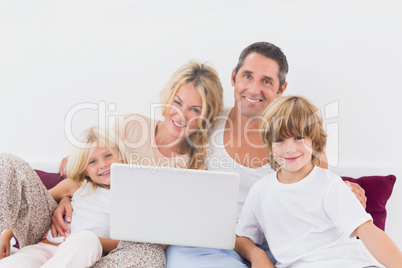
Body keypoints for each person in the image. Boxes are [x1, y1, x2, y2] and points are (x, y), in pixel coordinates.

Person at [165, 42, 367, 267]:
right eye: (247, 76)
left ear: (281, 89)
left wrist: (350, 196)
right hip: (211, 245)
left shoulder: (298, 148)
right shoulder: (206, 123)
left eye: (266, 81)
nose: (253, 89)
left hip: (279, 246)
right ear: (233, 77)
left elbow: (316, 203)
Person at [52, 59, 224, 267]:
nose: (181, 115)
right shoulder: (130, 126)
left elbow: (168, 236)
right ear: (168, 98)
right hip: (81, 231)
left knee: (152, 255)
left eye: (194, 110)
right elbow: (84, 172)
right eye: (177, 103)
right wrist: (65, 199)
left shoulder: (194, 167)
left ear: (207, 116)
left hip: (121, 250)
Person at [235, 95, 402, 267]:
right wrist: (257, 255)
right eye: (279, 140)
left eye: (299, 138)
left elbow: (369, 233)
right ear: (269, 146)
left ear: (314, 142)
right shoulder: (260, 192)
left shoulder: (330, 185)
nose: (290, 149)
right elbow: (241, 238)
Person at [0, 127, 166, 267]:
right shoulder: (77, 185)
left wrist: (82, 241)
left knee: (87, 240)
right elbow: (28, 204)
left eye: (108, 155)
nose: (103, 164)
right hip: (45, 246)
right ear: (84, 170)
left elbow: (129, 243)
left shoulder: (134, 195)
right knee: (14, 263)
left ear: (121, 156)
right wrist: (7, 234)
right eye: (92, 162)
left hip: (86, 253)